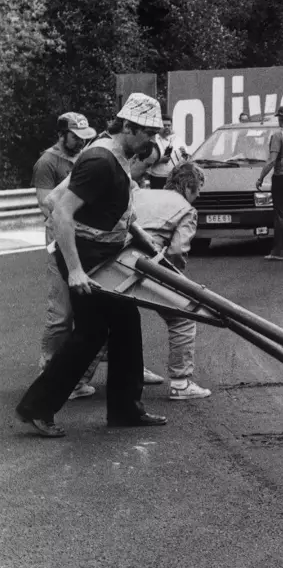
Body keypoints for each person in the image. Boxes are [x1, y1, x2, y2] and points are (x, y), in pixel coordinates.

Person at [16, 93, 167, 437]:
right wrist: (76, 271)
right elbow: (61, 212)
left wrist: (138, 233)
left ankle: (126, 409)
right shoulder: (101, 161)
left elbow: (113, 204)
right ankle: (37, 408)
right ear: (128, 125)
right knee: (90, 334)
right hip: (84, 255)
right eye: (147, 133)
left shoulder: (118, 153)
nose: (152, 141)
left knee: (126, 325)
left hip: (103, 252)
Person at [132, 162, 212, 399]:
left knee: (110, 319)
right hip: (147, 265)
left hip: (115, 260)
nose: (196, 198)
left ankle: (78, 382)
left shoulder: (140, 193)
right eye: (197, 192)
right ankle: (180, 382)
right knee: (183, 319)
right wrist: (177, 284)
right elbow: (177, 253)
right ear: (188, 187)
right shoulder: (186, 209)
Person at [34, 112, 98, 400]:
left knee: (93, 310)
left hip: (87, 240)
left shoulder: (87, 156)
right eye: (76, 136)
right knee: (62, 313)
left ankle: (76, 373)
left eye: (85, 137)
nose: (81, 141)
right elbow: (49, 208)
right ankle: (48, 369)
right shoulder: (47, 162)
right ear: (62, 135)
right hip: (59, 243)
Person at [256, 105, 283, 261]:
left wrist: (261, 177)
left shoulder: (278, 135)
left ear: (280, 118)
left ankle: (278, 250)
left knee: (280, 212)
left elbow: (272, 160)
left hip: (281, 175)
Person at [147, 114, 189, 190]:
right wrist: (159, 160)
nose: (167, 127)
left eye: (169, 125)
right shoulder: (152, 140)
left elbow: (186, 158)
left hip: (174, 178)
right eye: (164, 125)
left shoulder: (177, 139)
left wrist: (185, 155)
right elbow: (146, 160)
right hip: (157, 178)